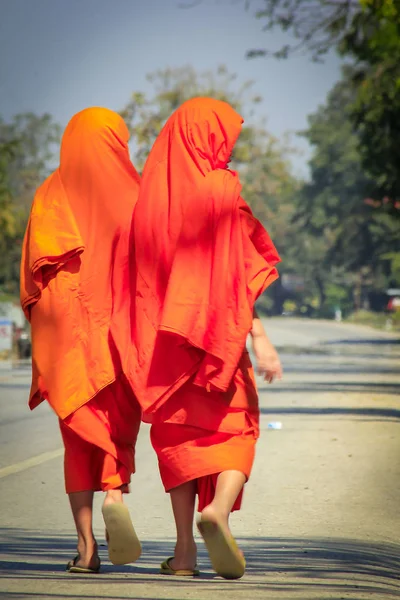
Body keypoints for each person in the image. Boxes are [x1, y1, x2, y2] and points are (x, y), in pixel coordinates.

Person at [125, 97, 282, 579]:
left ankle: (184, 555)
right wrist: (259, 336)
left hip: (166, 347)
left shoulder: (147, 201)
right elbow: (239, 272)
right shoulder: (221, 189)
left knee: (179, 440)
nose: (230, 151)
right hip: (221, 342)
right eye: (227, 140)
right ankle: (219, 510)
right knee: (237, 427)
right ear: (208, 138)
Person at [20, 107, 142, 574]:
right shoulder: (136, 192)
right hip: (119, 338)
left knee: (76, 439)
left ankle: (86, 547)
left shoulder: (49, 192)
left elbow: (33, 278)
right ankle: (114, 492)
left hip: (67, 339)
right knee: (116, 427)